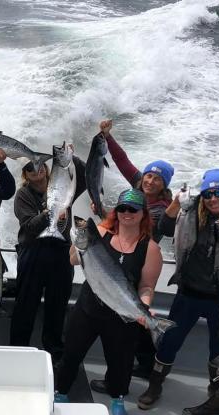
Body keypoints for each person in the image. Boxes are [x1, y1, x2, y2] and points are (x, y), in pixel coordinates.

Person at [138, 169, 219, 415]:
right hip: (188, 292)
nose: (213, 199)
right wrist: (177, 204)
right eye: (208, 193)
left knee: (218, 349)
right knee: (170, 341)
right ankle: (155, 385)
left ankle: (215, 395)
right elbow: (165, 228)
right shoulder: (191, 212)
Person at [53, 189, 163, 415]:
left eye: (133, 209)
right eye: (122, 208)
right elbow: (73, 260)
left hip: (122, 315)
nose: (127, 213)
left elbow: (146, 287)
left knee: (120, 362)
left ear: (143, 213)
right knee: (71, 352)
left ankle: (117, 399)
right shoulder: (100, 232)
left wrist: (144, 309)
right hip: (88, 308)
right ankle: (61, 392)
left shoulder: (151, 249)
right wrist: (78, 241)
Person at [89, 120, 175, 389]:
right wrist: (107, 136)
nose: (149, 181)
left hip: (139, 264)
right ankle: (144, 364)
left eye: (157, 179)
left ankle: (138, 369)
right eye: (149, 175)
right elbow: (122, 161)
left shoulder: (160, 209)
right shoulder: (137, 187)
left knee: (131, 323)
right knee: (134, 321)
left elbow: (136, 232)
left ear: (164, 185)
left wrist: (103, 215)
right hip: (121, 257)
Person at [10, 149, 88, 363]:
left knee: (57, 305)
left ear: (46, 167)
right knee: (25, 304)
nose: (35, 169)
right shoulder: (23, 195)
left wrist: (72, 157)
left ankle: (54, 352)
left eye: (39, 165)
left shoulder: (64, 186)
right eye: (29, 168)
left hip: (61, 253)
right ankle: (17, 351)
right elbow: (29, 227)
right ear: (25, 174)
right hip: (33, 252)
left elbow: (85, 173)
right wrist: (50, 213)